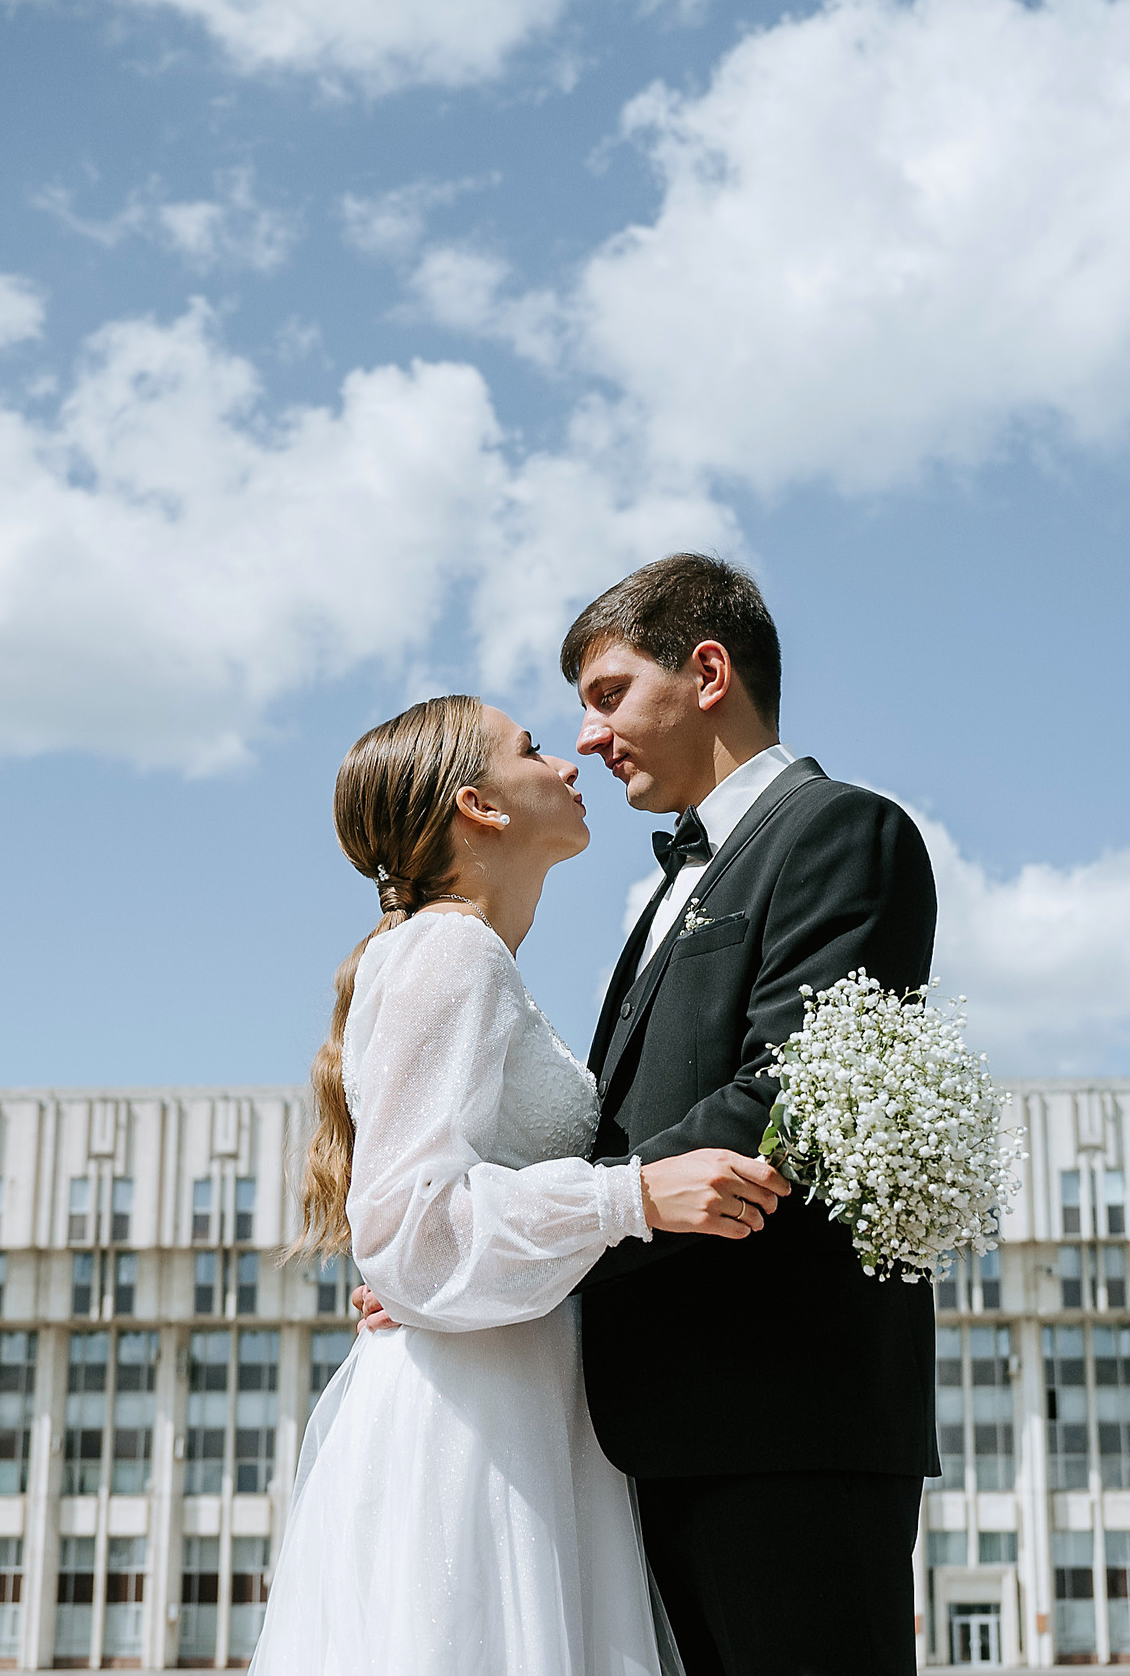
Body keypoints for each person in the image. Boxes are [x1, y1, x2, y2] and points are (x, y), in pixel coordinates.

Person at [254, 692, 793, 1675]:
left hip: (513, 1394)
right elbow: (413, 1228)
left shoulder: (466, 959)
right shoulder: (451, 949)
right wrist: (630, 1196)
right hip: (475, 1423)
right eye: (533, 748)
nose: (569, 762)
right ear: (480, 805)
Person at [564, 554, 939, 1675]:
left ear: (708, 669)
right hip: (665, 1419)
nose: (588, 736)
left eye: (608, 692)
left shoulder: (843, 831)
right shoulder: (672, 882)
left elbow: (787, 1095)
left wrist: (549, 1230)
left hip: (786, 1416)